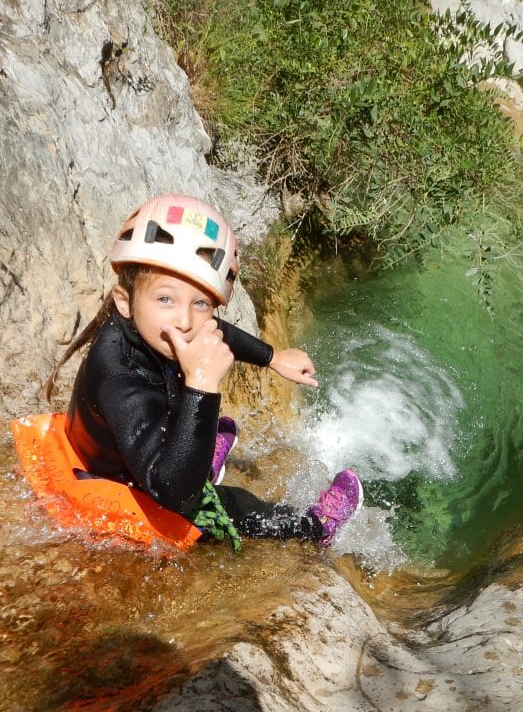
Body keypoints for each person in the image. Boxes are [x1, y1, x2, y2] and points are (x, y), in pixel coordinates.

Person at [44, 193, 362, 547]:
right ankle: (316, 527)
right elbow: (175, 495)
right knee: (238, 505)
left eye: (201, 303)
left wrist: (273, 357)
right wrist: (202, 384)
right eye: (165, 299)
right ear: (124, 301)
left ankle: (198, 458)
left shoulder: (147, 327)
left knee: (188, 385)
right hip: (128, 484)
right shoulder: (121, 378)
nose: (184, 321)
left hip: (130, 450)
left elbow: (213, 330)